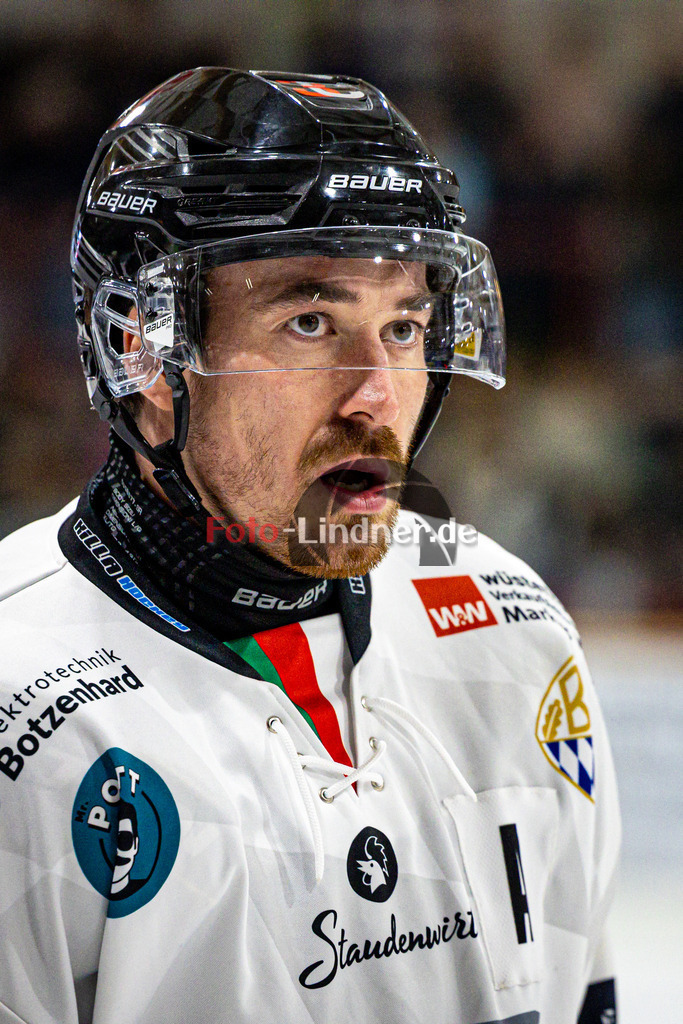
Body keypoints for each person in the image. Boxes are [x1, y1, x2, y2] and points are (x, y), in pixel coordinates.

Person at [0, 68, 619, 1024]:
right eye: (309, 322)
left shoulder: (512, 628)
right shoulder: (20, 702)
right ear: (140, 348)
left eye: (405, 327)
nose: (377, 394)